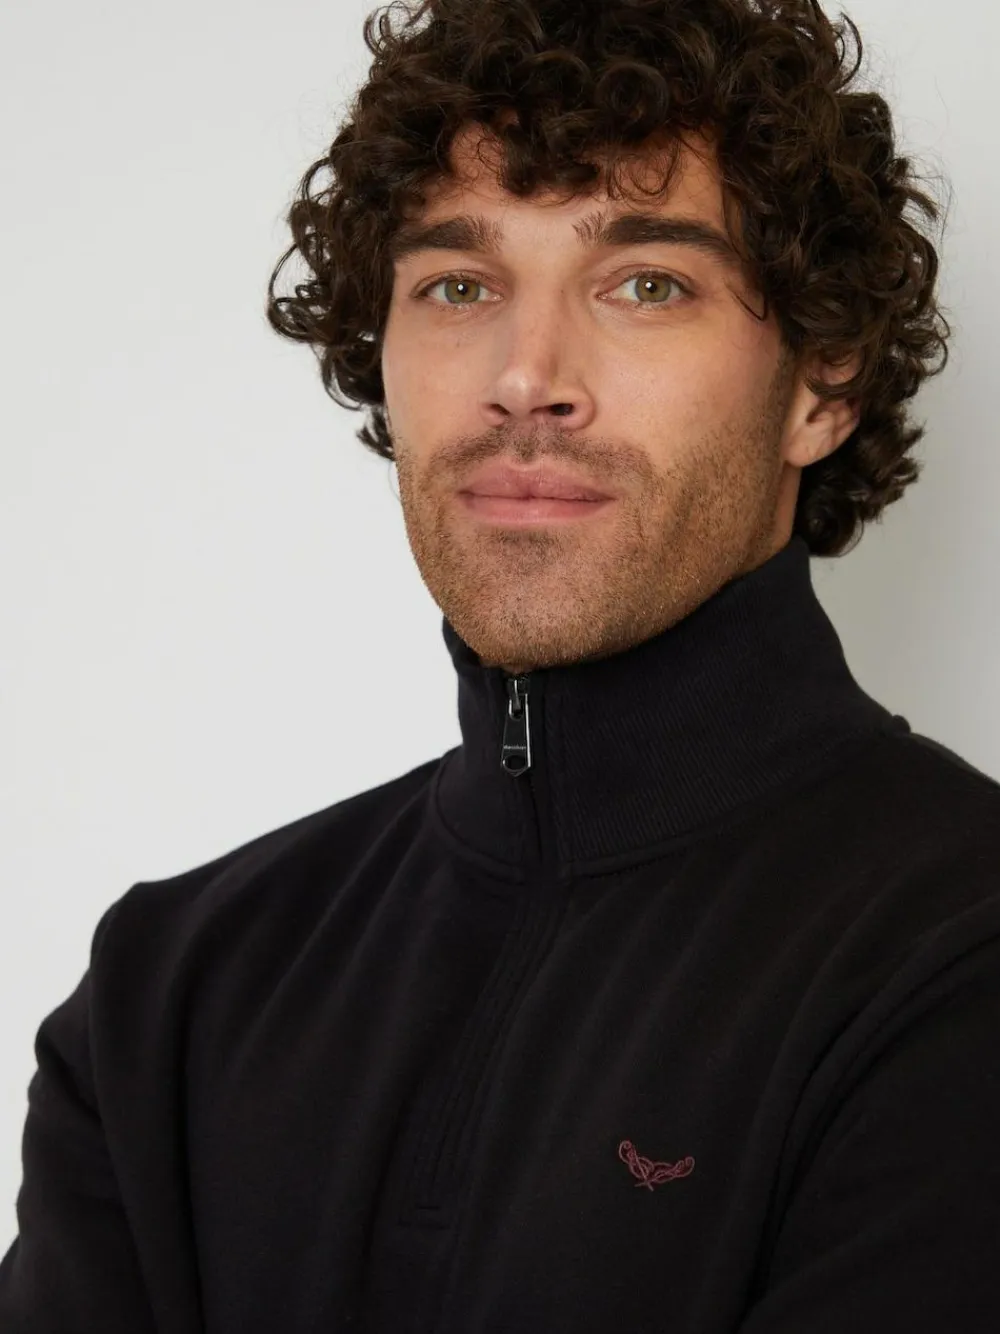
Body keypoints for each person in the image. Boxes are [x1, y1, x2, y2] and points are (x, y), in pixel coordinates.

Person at [3, 0, 999, 1330]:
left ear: (824, 381)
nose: (527, 378)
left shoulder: (959, 953)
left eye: (646, 284)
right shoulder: (171, 998)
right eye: (459, 287)